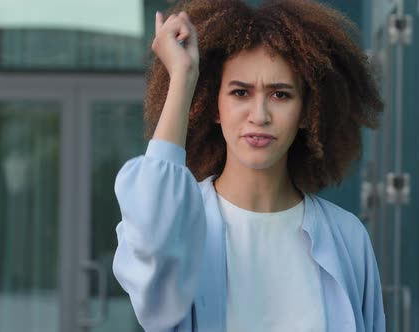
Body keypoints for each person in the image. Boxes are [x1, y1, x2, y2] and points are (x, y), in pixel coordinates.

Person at [112, 0, 385, 331]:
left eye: (280, 95)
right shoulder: (180, 226)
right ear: (213, 106)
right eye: (240, 93)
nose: (260, 115)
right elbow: (152, 234)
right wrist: (183, 79)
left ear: (306, 113)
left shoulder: (347, 237)